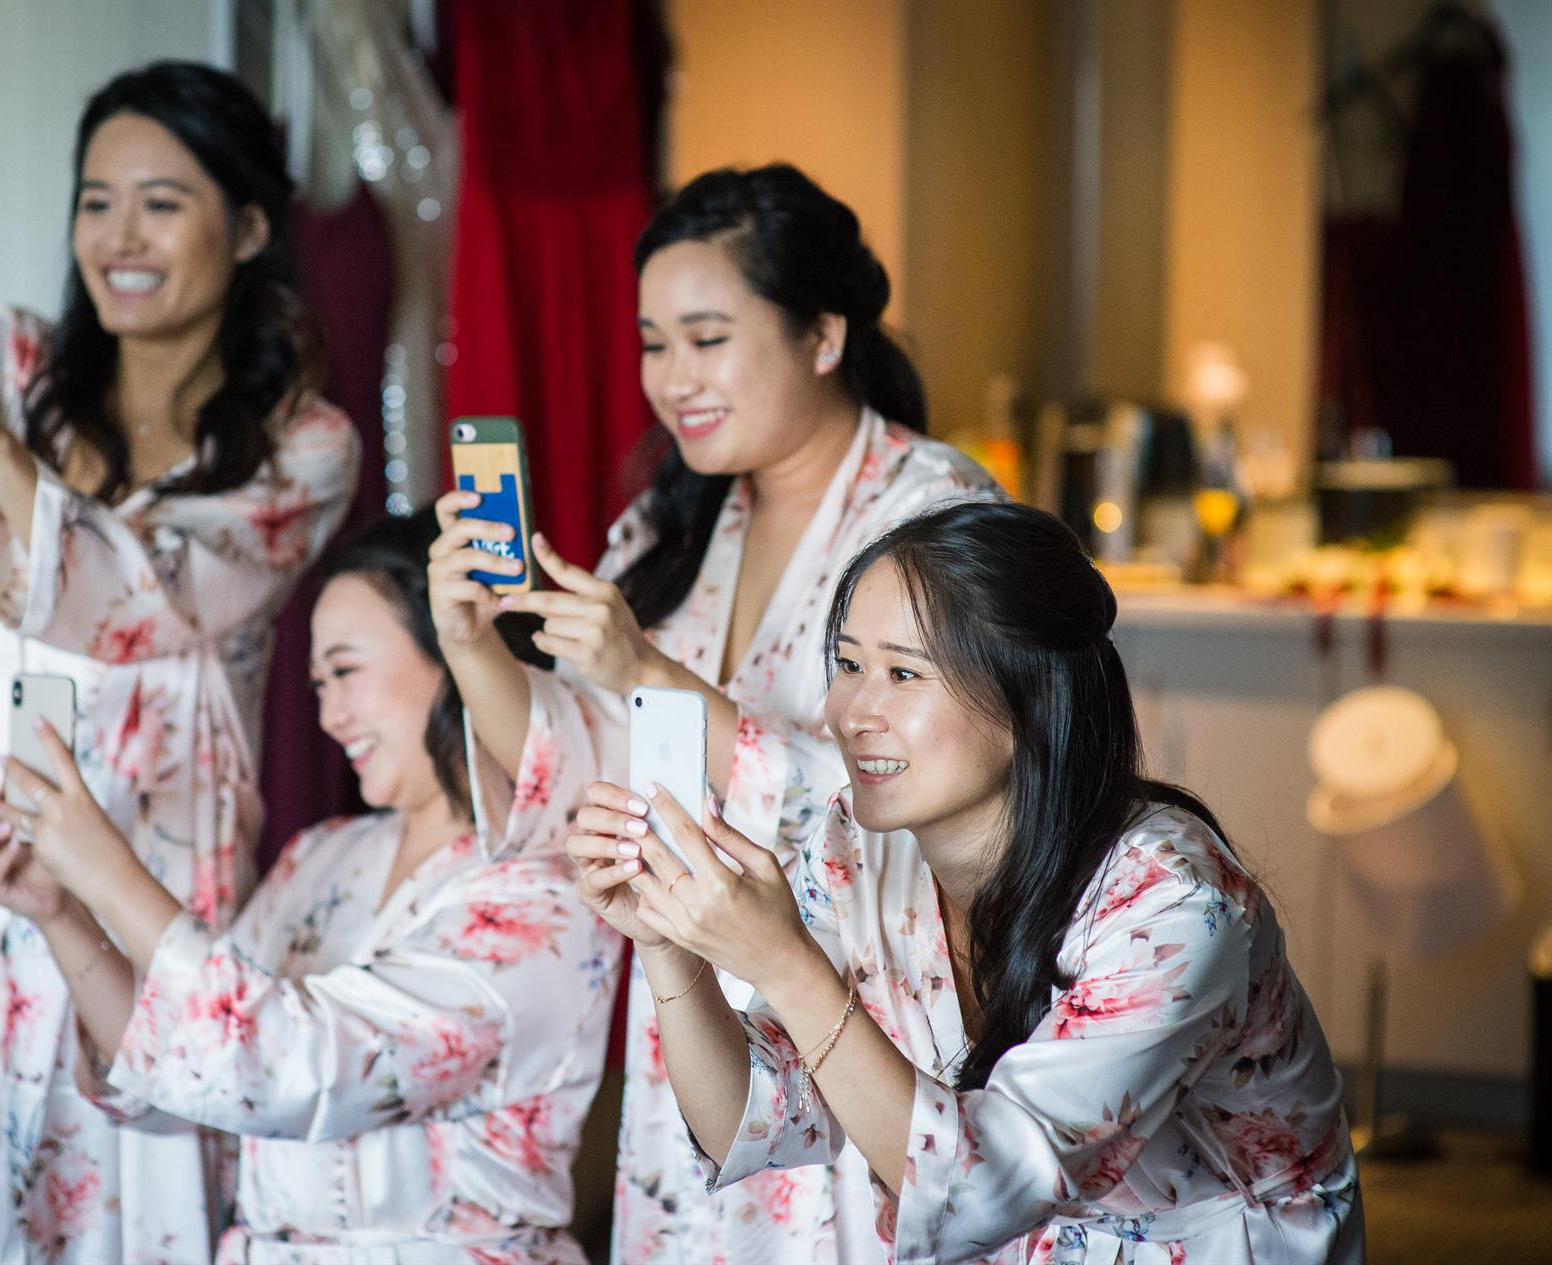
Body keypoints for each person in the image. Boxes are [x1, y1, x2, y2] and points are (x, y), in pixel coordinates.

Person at [0, 61, 359, 1263]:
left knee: (127, 1157)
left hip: (153, 847)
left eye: (161, 202)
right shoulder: (16, 360)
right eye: (97, 200)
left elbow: (143, 603)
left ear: (249, 227)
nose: (120, 236)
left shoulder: (305, 444)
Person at [428, 163, 1000, 1262]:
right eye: (654, 343)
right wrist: (466, 641)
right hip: (692, 994)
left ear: (822, 334)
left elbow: (921, 789)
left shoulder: (936, 513)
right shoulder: (676, 521)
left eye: (706, 337)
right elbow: (570, 762)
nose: (672, 378)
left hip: (868, 996)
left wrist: (646, 667)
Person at [571, 500, 1363, 1264]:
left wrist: (785, 961)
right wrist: (668, 944)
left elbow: (982, 1190)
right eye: (848, 664)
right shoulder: (858, 847)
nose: (851, 713)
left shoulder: (1173, 904)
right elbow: (757, 1118)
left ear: (1029, 699)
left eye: (903, 673)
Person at [0, 513, 623, 1263]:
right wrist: (61, 914)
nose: (329, 715)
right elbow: (187, 1065)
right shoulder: (320, 856)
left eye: (346, 671)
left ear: (456, 651)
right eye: (317, 684)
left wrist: (110, 872)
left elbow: (290, 1064)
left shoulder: (545, 894)